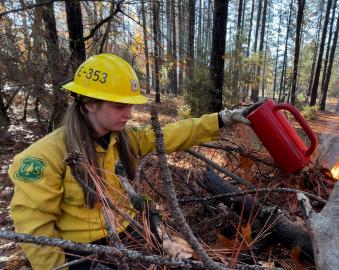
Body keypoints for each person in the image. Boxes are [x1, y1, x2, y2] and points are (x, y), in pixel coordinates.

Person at [8, 53, 254, 269]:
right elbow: (34, 228)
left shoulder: (123, 138)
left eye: (130, 105)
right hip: (80, 252)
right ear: (90, 104)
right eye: (119, 106)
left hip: (129, 233)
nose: (129, 113)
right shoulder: (42, 157)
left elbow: (169, 134)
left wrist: (222, 119)